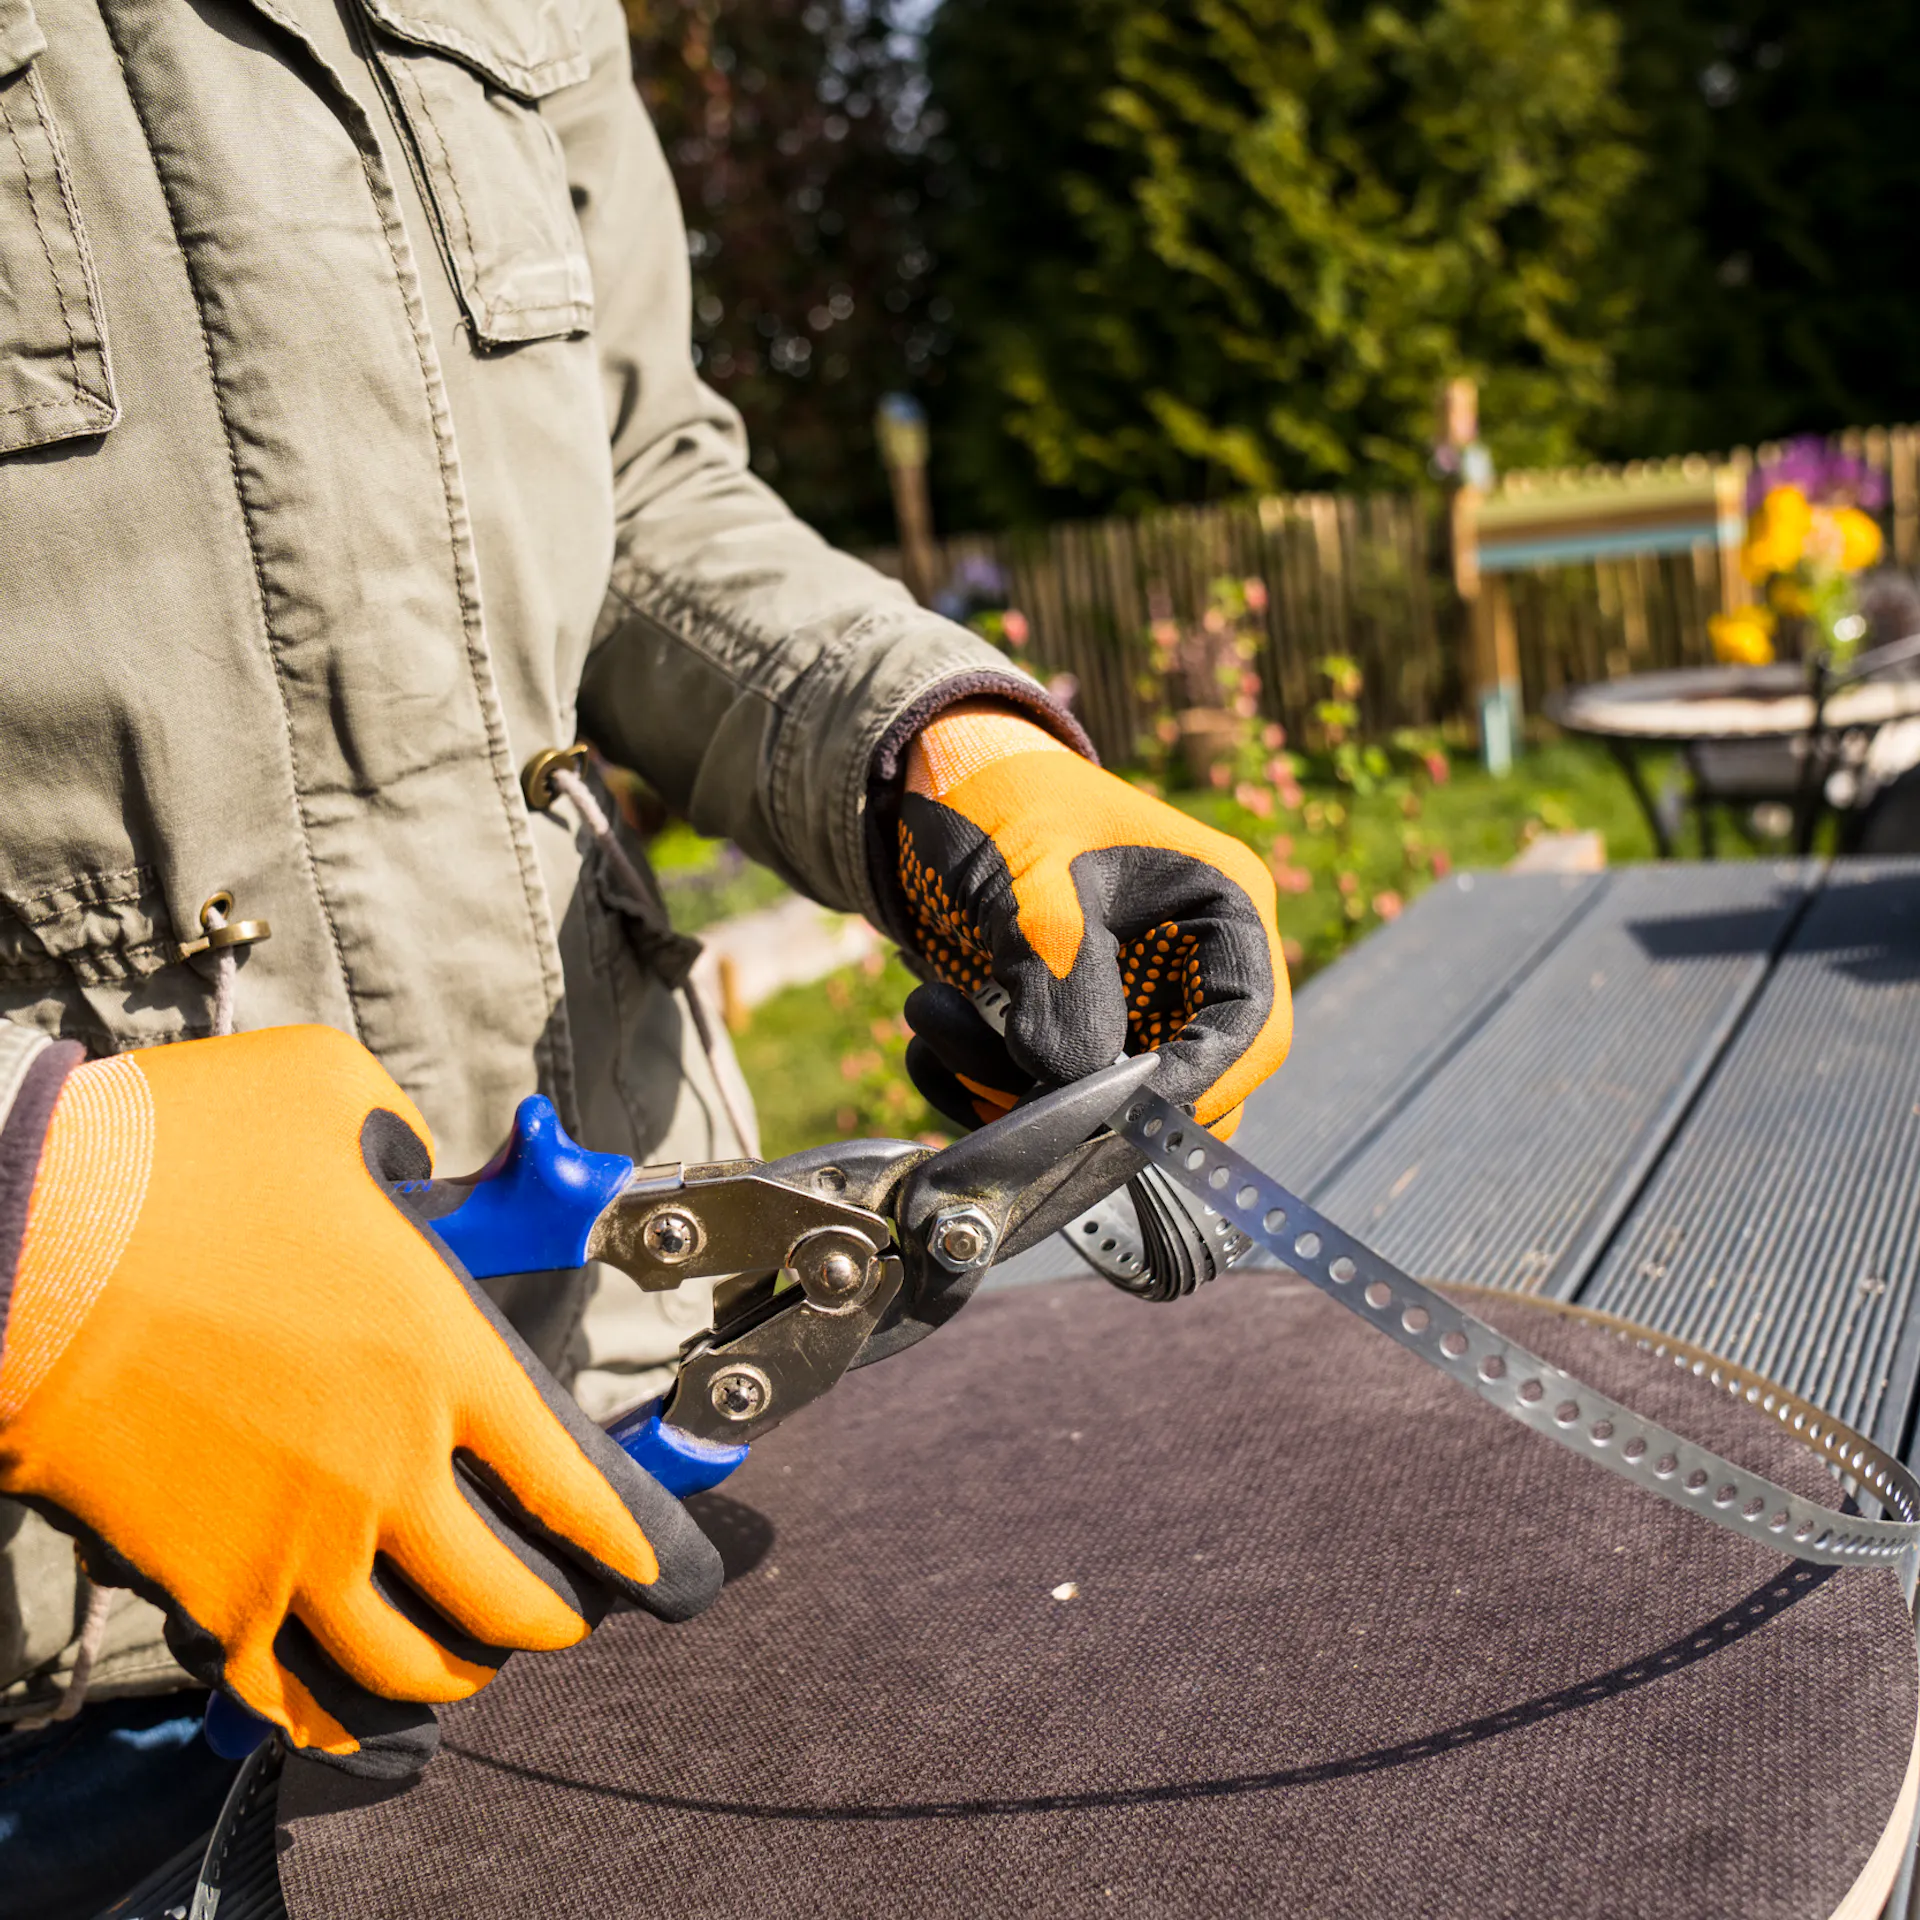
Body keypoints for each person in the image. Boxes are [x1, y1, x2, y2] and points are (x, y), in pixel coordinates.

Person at [0, 0, 1291, 1907]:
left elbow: (632, 480)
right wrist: (44, 1223)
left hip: (622, 1423)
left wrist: (940, 755)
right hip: (59, 1660)